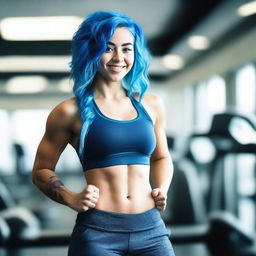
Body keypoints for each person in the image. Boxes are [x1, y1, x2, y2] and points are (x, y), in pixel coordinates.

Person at [32, 10, 175, 256]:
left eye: (127, 48)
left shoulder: (151, 105)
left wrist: (162, 187)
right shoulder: (68, 111)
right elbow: (41, 170)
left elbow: (161, 158)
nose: (118, 57)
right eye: (108, 48)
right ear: (91, 51)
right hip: (98, 234)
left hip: (152, 230)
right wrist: (69, 197)